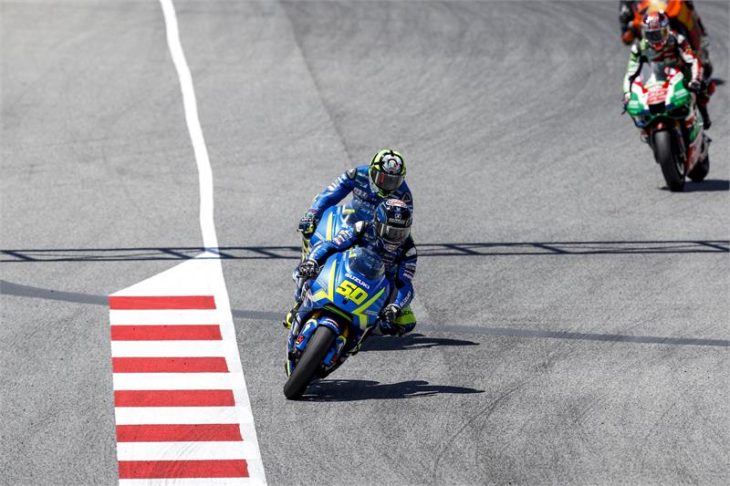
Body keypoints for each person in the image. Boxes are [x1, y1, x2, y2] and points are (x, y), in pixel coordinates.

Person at [285, 199, 417, 337]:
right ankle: (299, 304)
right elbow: (332, 244)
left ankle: (364, 332)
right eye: (392, 232)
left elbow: (405, 283)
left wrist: (395, 306)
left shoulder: (408, 249)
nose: (396, 238)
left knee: (407, 322)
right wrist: (312, 261)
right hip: (350, 268)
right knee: (306, 269)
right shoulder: (362, 227)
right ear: (378, 224)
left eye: (401, 233)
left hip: (381, 283)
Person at [297, 149, 413, 250]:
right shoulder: (358, 174)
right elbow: (329, 194)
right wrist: (312, 214)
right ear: (372, 171)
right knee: (311, 226)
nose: (388, 185)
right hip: (349, 220)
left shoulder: (404, 195)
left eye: (394, 181)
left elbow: (403, 228)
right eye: (383, 179)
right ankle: (307, 261)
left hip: (375, 235)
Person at [623, 10, 711, 129]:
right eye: (652, 35)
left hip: (681, 71)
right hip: (656, 75)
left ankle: (704, 115)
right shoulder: (638, 47)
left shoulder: (677, 39)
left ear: (667, 29)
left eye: (661, 33)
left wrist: (695, 79)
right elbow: (630, 73)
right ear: (645, 34)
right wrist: (627, 94)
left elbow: (692, 60)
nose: (657, 38)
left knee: (703, 87)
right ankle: (648, 128)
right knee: (639, 105)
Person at [619, 1, 709, 55]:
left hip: (665, 12)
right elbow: (626, 35)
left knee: (687, 4)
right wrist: (629, 30)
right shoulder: (627, 4)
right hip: (647, 24)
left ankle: (700, 34)